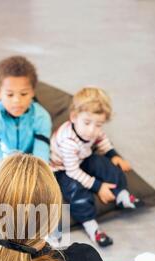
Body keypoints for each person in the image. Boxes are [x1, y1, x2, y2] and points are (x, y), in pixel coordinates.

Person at [50, 87, 143, 247]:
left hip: (83, 158)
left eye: (99, 124)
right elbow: (73, 171)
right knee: (75, 190)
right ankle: (92, 227)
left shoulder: (94, 131)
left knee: (104, 164)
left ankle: (121, 195)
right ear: (74, 117)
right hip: (63, 169)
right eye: (87, 123)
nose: (92, 130)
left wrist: (114, 155)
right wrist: (98, 186)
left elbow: (102, 140)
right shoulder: (68, 141)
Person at [0, 55, 52, 177]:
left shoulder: (41, 117)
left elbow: (42, 156)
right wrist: (9, 177)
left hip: (30, 171)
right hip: (0, 172)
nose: (17, 101)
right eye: (10, 95)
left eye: (24, 94)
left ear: (32, 92)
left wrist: (30, 176)